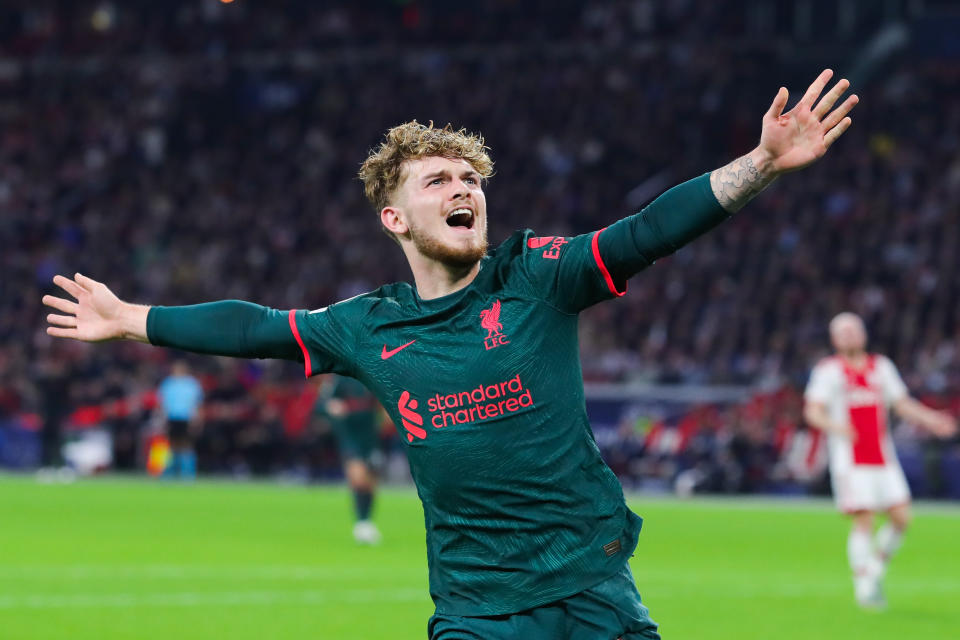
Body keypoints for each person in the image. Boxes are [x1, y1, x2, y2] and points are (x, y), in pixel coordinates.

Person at [45, 69, 856, 639]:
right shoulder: (367, 326)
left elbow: (647, 233)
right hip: (477, 610)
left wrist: (760, 165)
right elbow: (257, 327)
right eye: (437, 180)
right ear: (394, 219)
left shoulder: (537, 276)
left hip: (593, 590)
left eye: (471, 177)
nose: (463, 187)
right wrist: (132, 318)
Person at [803, 312, 957, 609]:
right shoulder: (828, 371)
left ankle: (874, 567)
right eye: (842, 332)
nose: (849, 336)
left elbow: (902, 403)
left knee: (902, 518)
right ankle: (864, 584)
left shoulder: (881, 367)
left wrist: (933, 420)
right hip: (851, 459)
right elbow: (813, 411)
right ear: (834, 339)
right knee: (865, 518)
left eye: (853, 330)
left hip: (883, 457)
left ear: (863, 335)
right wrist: (837, 428)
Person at [316, 374, 385, 544]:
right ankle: (361, 523)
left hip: (371, 436)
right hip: (350, 437)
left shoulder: (373, 375)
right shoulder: (339, 380)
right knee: (358, 478)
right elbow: (320, 405)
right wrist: (331, 407)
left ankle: (366, 521)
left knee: (371, 482)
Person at [157, 360, 204, 479]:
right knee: (169, 445)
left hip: (186, 418)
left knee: (186, 445)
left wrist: (196, 418)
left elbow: (197, 403)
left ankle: (187, 473)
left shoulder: (192, 384)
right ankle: (167, 472)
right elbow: (162, 403)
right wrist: (162, 418)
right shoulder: (168, 383)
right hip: (172, 418)